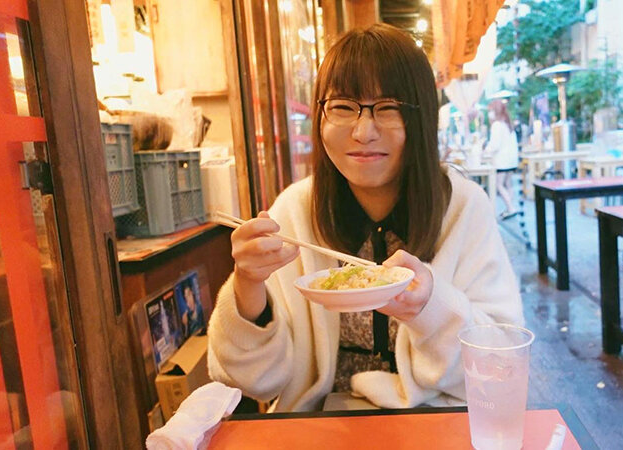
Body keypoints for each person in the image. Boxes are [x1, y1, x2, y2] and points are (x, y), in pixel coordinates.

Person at [207, 23, 522, 412]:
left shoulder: (463, 207)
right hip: (320, 424)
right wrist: (248, 284)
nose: (363, 131)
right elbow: (254, 382)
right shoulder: (294, 211)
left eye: (388, 108)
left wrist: (431, 307)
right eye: (343, 107)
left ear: (422, 118)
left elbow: (503, 361)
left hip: (434, 419)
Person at [484, 100, 519, 220]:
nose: (489, 113)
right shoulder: (507, 124)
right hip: (511, 160)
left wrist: (486, 151)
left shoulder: (497, 125)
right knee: (508, 184)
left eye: (490, 110)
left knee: (499, 185)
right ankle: (509, 208)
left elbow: (495, 145)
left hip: (502, 161)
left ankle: (510, 208)